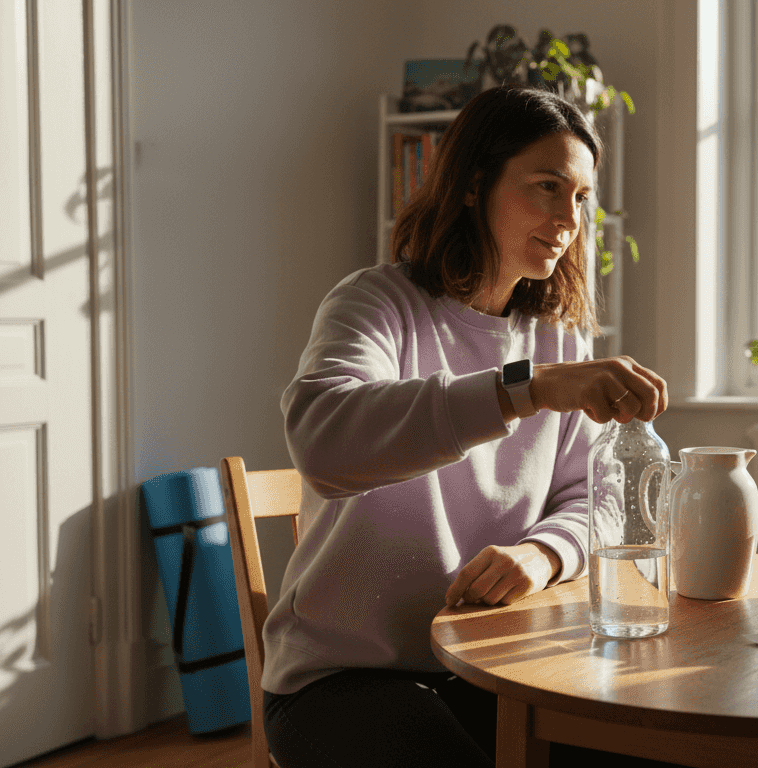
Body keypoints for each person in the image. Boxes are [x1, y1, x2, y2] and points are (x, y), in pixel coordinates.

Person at [261, 85, 669, 767]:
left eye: (581, 197)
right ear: (475, 184)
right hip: (341, 680)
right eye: (547, 187)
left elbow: (589, 498)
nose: (568, 219)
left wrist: (542, 555)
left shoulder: (556, 337)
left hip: (494, 665)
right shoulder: (375, 303)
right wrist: (526, 389)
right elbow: (323, 442)